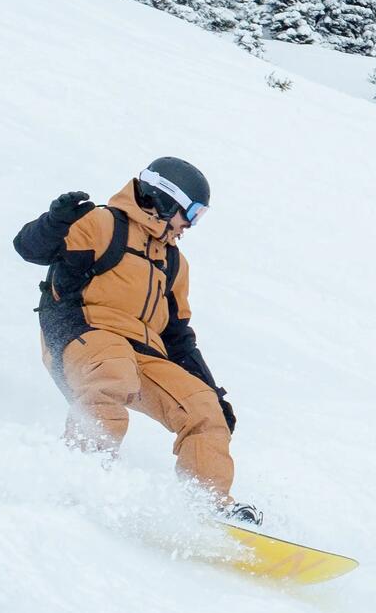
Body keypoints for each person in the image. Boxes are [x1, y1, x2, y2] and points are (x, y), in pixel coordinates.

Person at [13, 157, 260, 524]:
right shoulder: (101, 224)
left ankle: (208, 506)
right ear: (165, 200)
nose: (190, 225)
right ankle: (83, 472)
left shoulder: (173, 263)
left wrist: (211, 390)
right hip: (83, 334)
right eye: (190, 212)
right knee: (113, 371)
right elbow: (30, 249)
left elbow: (178, 338)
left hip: (143, 354)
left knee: (203, 410)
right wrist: (57, 221)